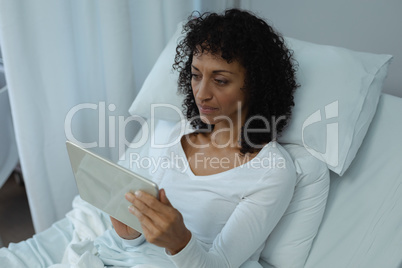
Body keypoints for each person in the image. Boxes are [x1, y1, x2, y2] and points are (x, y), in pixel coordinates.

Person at [110, 8, 299, 267]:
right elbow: (138, 242)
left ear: (257, 84)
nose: (201, 93)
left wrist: (179, 242)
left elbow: (219, 263)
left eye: (220, 81)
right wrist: (126, 227)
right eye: (196, 75)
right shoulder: (176, 133)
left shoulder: (272, 171)